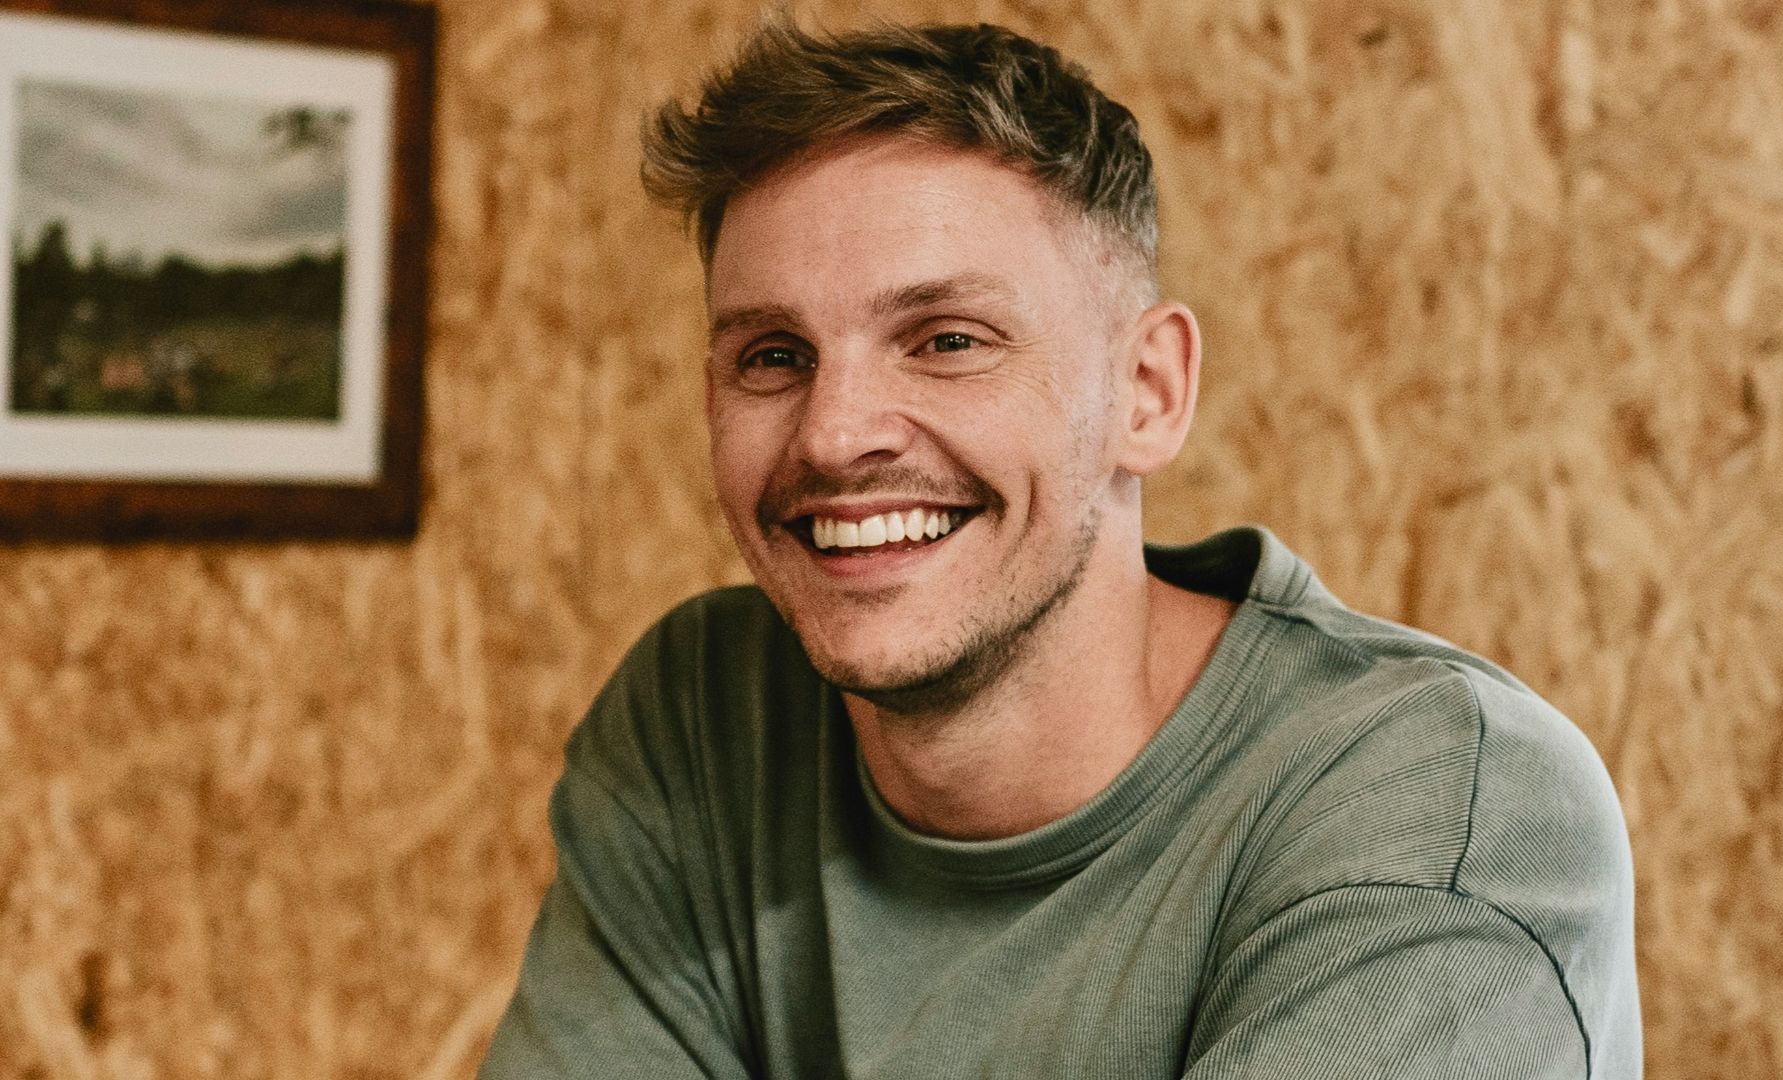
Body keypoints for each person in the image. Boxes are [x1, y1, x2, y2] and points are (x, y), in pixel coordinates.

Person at [480, 17, 1641, 1079]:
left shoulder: (1443, 804)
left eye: (945, 340)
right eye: (773, 357)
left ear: (1147, 391)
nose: (834, 433)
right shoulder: (702, 716)